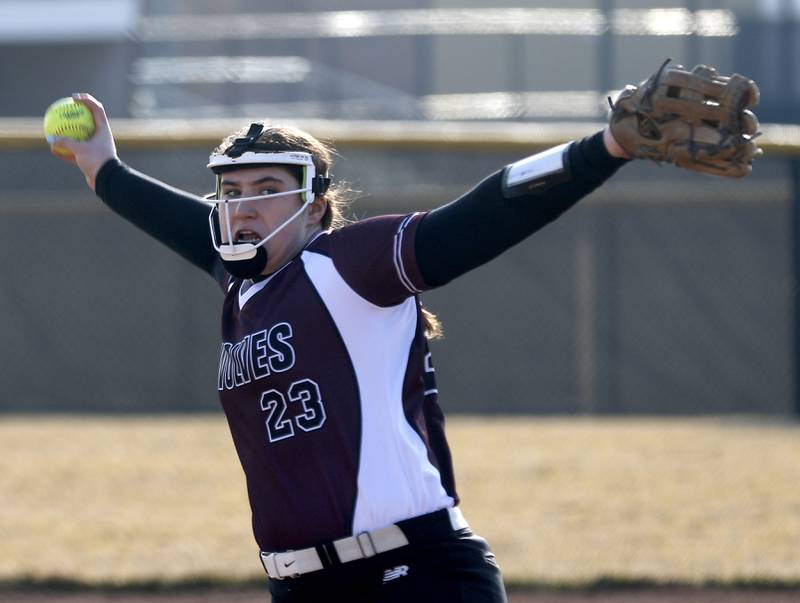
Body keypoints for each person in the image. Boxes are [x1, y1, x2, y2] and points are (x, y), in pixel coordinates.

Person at [48, 63, 755, 601]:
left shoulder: (347, 264)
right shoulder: (241, 279)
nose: (244, 208)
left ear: (317, 207)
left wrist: (605, 147)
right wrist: (101, 167)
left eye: (268, 189)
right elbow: (162, 212)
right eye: (231, 192)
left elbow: (483, 214)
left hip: (415, 575)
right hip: (303, 586)